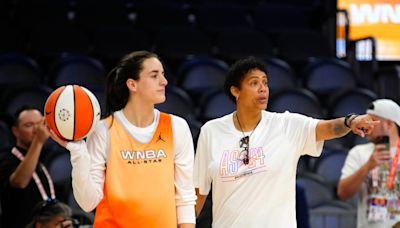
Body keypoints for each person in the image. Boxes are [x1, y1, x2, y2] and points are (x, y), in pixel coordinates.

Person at [193, 56, 378, 227]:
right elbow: (199, 191)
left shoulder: (286, 125)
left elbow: (328, 128)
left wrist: (350, 121)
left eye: (265, 82)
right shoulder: (211, 131)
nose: (263, 88)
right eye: (254, 83)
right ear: (236, 91)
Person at [50, 50, 196, 227]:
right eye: (154, 75)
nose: (164, 81)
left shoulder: (177, 127)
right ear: (132, 85)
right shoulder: (103, 130)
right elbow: (88, 203)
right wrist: (78, 153)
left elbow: (185, 197)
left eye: (163, 74)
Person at [337, 99, 400, 228]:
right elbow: (342, 193)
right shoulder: (358, 153)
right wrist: (368, 166)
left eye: (372, 121)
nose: (365, 126)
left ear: (388, 124)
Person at [0, 106, 55, 228]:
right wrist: (38, 141)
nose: (37, 130)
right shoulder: (7, 156)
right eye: (29, 125)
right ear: (15, 131)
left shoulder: (43, 155)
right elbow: (19, 182)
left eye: (40, 124)